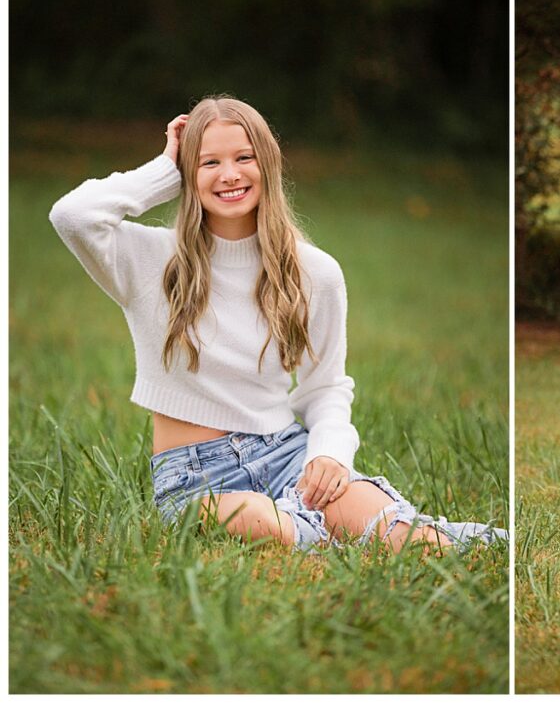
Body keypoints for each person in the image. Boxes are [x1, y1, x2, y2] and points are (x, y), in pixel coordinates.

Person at [49, 95, 506, 555]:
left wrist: (328, 453)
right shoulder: (150, 260)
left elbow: (325, 387)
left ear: (267, 165)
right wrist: (167, 169)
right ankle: (316, 530)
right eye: (210, 162)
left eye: (244, 157)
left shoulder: (315, 272)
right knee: (257, 520)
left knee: (409, 541)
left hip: (289, 454)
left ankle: (462, 538)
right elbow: (73, 215)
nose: (230, 174)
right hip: (194, 475)